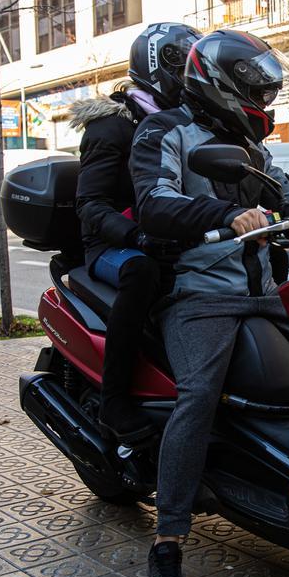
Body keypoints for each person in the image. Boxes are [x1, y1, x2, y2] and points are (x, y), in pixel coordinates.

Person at [130, 29, 289, 577]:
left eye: (270, 95)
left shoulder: (250, 147)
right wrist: (227, 212)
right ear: (220, 85)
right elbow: (154, 203)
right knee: (197, 396)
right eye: (257, 93)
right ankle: (168, 540)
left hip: (266, 290)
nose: (264, 106)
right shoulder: (164, 131)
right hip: (200, 292)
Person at [73, 22, 201, 446]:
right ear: (154, 66)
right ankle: (114, 402)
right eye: (180, 66)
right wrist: (135, 237)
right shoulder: (112, 129)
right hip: (114, 246)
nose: (189, 76)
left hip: (169, 238)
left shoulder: (185, 126)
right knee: (143, 273)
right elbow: (90, 206)